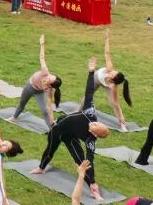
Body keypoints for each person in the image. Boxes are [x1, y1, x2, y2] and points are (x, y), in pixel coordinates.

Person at [33, 57, 113, 202]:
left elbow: (90, 160)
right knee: (50, 149)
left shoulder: (90, 140)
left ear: (94, 134)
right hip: (58, 129)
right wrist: (91, 72)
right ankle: (41, 168)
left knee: (81, 162)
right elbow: (89, 92)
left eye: (95, 126)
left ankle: (93, 188)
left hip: (70, 137)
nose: (94, 123)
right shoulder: (90, 113)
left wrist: (93, 180)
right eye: (97, 123)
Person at [12, 35, 63, 127]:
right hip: (29, 87)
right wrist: (42, 44)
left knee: (44, 111)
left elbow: (49, 106)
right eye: (50, 76)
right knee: (22, 103)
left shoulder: (49, 90)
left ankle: (51, 128)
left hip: (38, 92)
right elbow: (42, 58)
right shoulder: (45, 72)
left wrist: (51, 118)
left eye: (49, 80)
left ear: (50, 85)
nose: (48, 77)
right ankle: (14, 117)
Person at [90, 29, 133, 131]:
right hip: (97, 78)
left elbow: (116, 103)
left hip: (106, 85)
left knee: (113, 104)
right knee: (88, 95)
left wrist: (120, 116)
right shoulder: (109, 68)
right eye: (113, 72)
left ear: (113, 81)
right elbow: (107, 53)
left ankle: (122, 124)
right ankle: (78, 111)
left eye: (112, 74)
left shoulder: (113, 86)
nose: (111, 72)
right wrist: (107, 38)